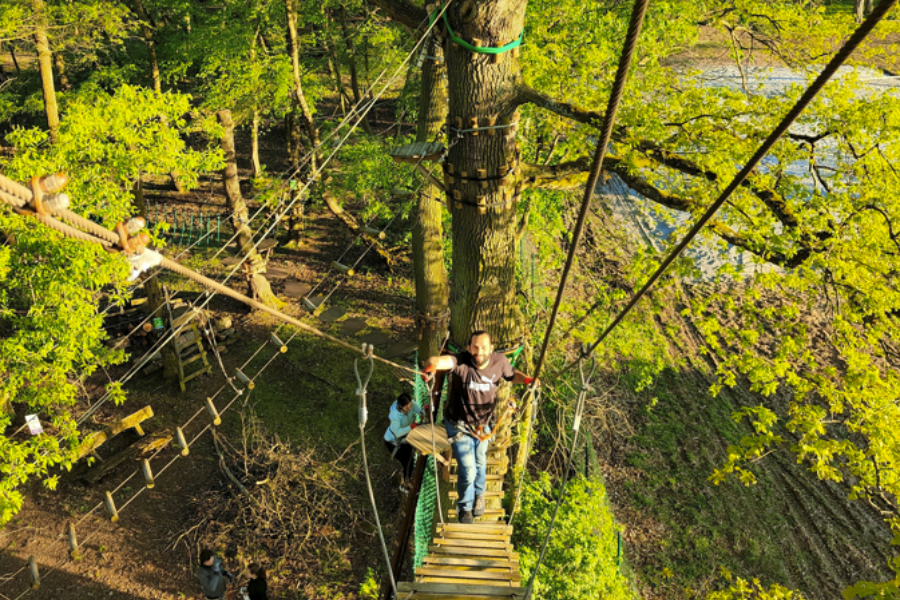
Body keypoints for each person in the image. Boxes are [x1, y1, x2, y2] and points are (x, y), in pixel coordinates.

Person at [423, 331, 535, 524]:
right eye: (475, 347)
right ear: (468, 348)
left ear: (491, 348)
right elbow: (440, 360)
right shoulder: (461, 362)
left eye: (483, 347)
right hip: (459, 425)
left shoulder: (499, 362)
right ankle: (465, 506)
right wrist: (432, 365)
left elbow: (511, 374)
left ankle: (479, 495)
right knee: (468, 468)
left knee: (480, 460)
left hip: (483, 425)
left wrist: (526, 380)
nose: (479, 351)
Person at [383, 392, 423, 484]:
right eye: (407, 408)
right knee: (407, 461)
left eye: (410, 406)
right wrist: (411, 427)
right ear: (401, 407)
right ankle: (407, 484)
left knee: (410, 460)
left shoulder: (411, 403)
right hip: (393, 441)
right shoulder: (394, 415)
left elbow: (417, 409)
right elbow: (397, 433)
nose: (409, 409)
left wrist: (422, 412)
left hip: (406, 437)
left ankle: (411, 481)